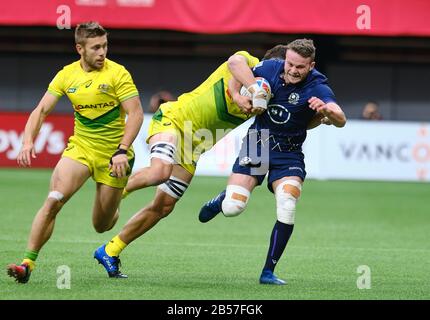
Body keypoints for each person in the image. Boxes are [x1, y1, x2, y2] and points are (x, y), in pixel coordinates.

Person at [92, 45, 289, 278]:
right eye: (283, 70)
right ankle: (112, 193)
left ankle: (110, 250)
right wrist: (239, 94)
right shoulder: (247, 62)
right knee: (159, 172)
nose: (285, 76)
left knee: (163, 207)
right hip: (174, 120)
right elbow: (234, 62)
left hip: (193, 148)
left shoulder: (273, 94)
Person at [198, 39, 346, 285]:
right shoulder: (270, 68)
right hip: (260, 142)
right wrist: (237, 94)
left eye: (300, 66)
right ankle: (224, 198)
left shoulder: (317, 85)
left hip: (289, 152)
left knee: (287, 203)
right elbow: (234, 63)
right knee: (233, 208)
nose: (293, 70)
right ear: (285, 59)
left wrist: (327, 111)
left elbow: (341, 118)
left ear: (311, 65)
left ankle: (268, 272)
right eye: (290, 64)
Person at [7, 22, 143, 283]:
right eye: (95, 47)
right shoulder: (66, 75)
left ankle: (121, 192)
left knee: (101, 225)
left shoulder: (118, 74)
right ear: (80, 48)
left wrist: (122, 150)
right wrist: (27, 141)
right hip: (80, 149)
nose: (102, 52)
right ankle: (27, 264)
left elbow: (136, 114)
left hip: (114, 155)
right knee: (54, 200)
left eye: (104, 45)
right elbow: (41, 110)